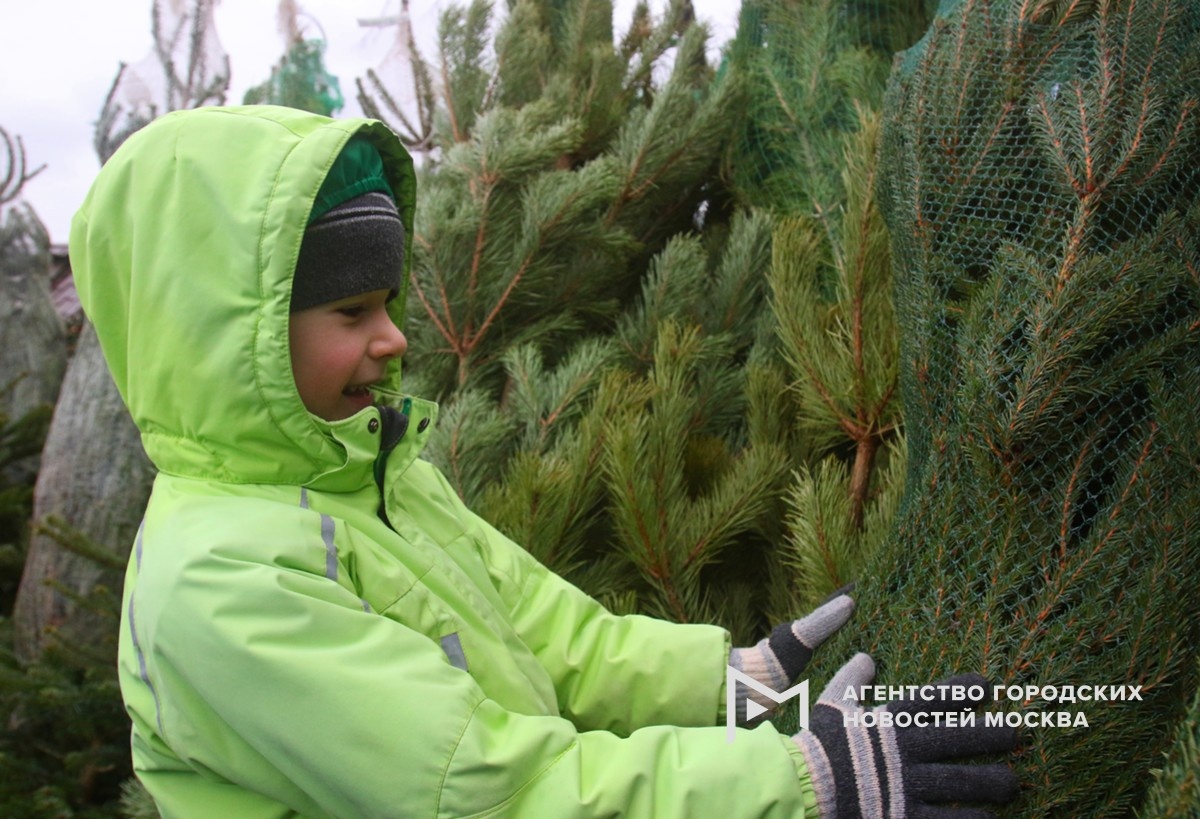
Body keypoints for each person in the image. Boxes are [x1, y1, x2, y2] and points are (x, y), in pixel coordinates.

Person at [71, 105, 1019, 818]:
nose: (395, 338)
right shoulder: (222, 584)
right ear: (224, 337)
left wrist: (729, 683)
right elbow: (483, 790)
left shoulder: (374, 478)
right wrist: (796, 781)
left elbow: (547, 632)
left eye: (390, 304)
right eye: (352, 313)